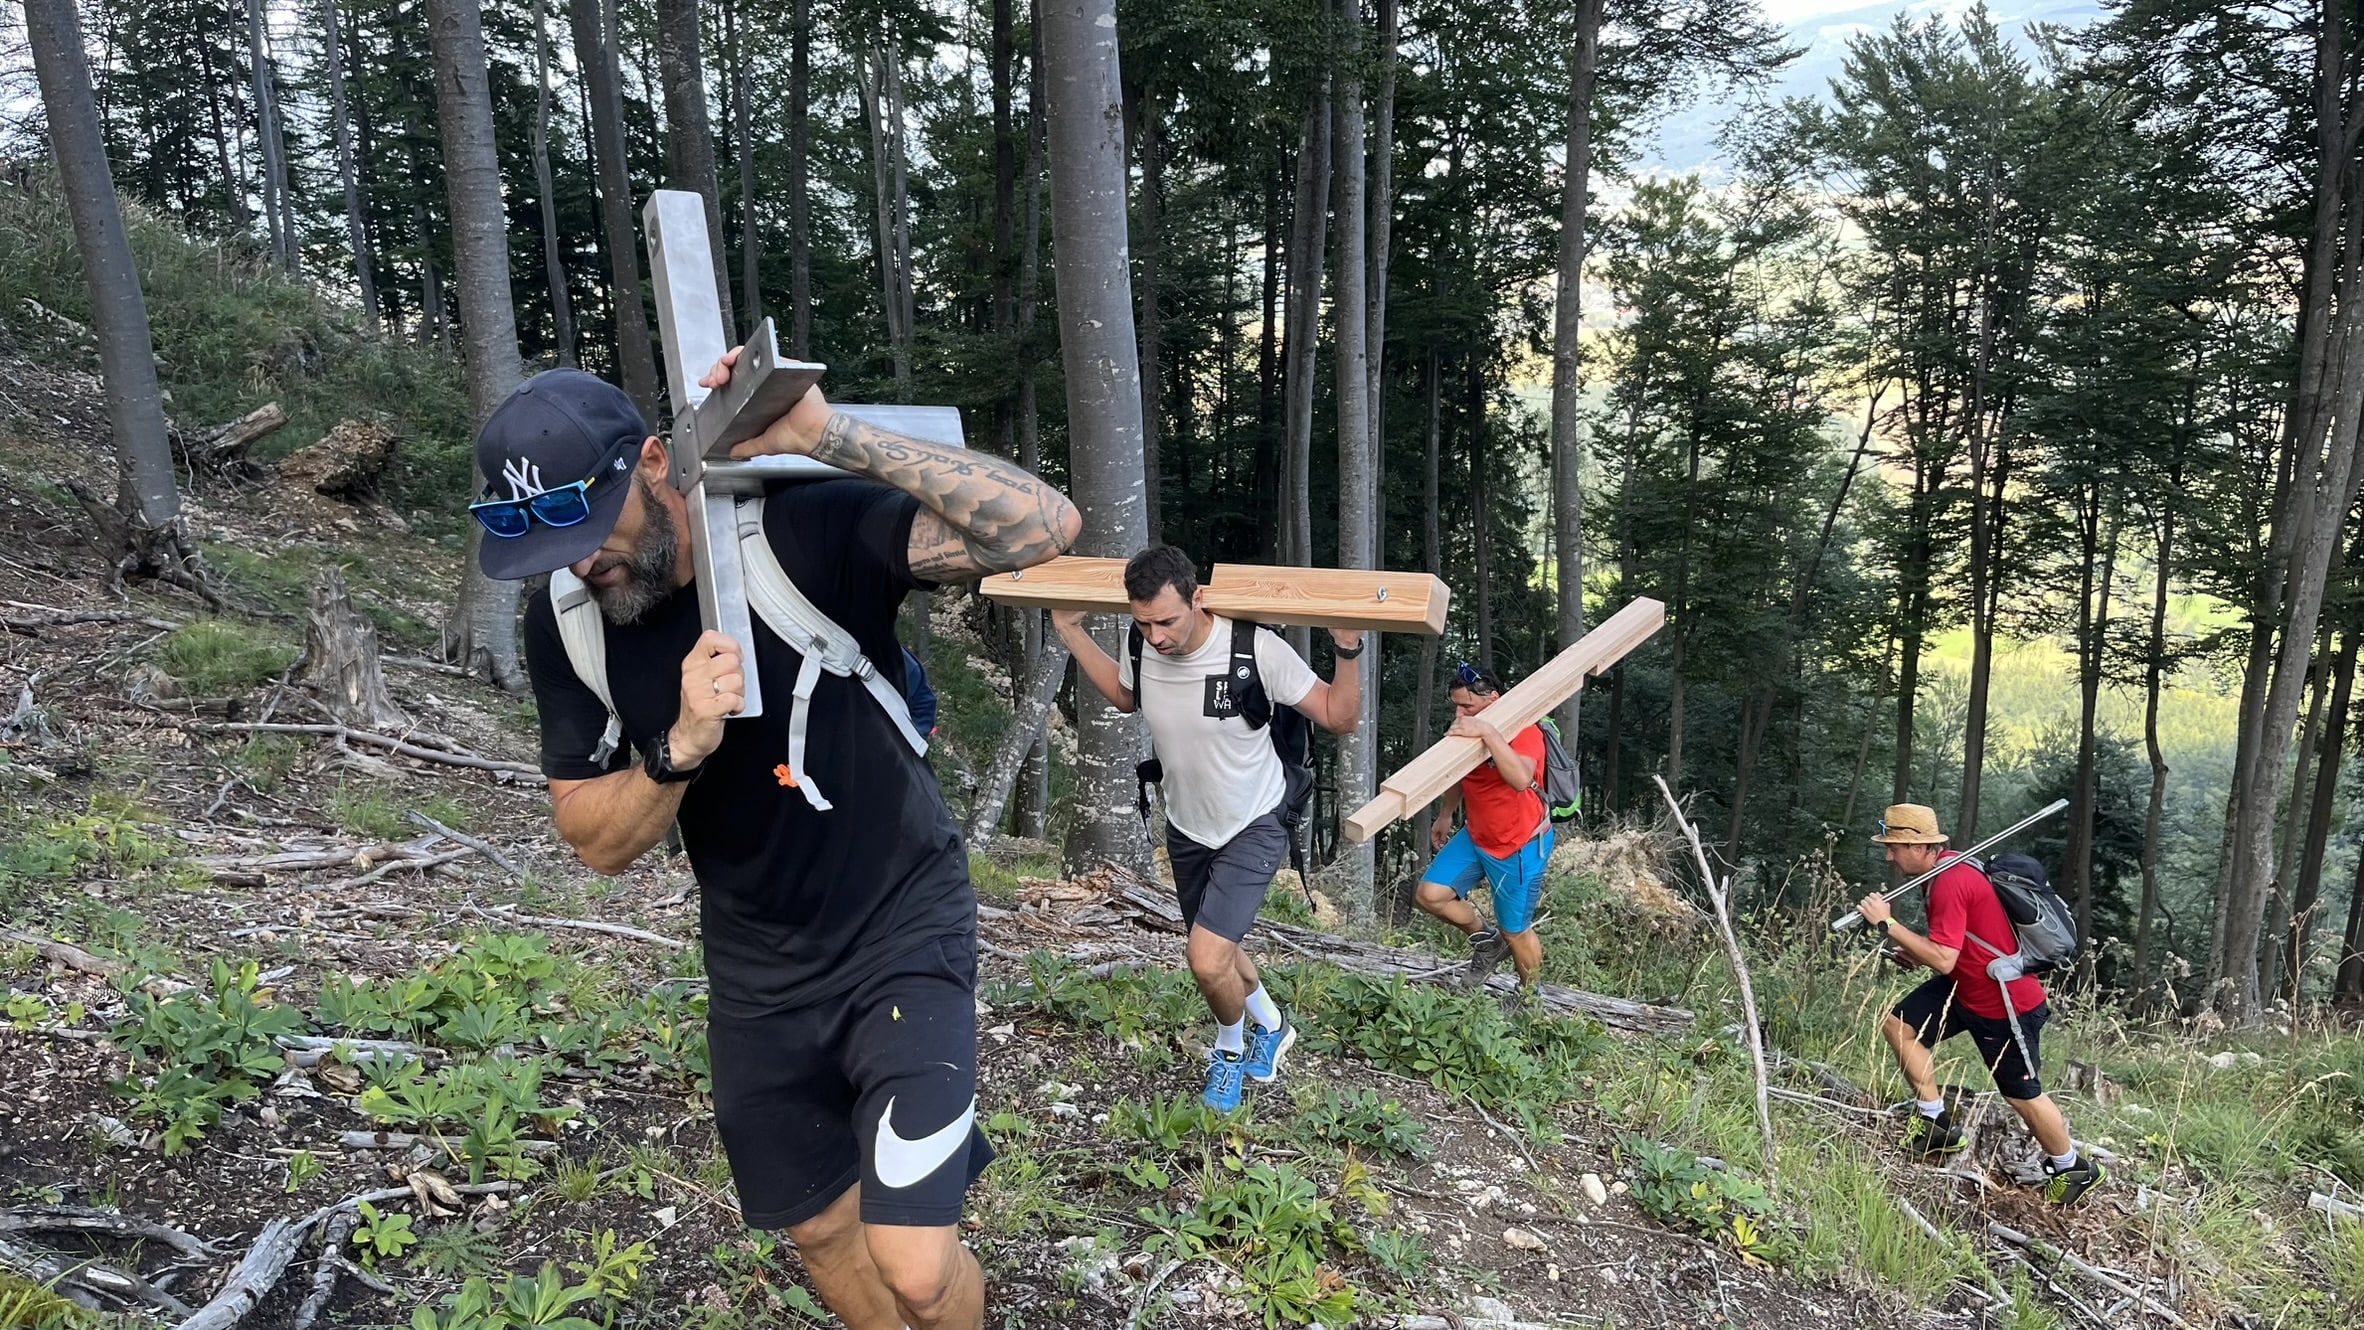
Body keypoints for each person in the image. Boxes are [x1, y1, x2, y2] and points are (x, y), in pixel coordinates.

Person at [479, 359, 1080, 1330]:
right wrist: (676, 749)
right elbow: (593, 839)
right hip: (758, 966)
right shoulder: (570, 617)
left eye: (593, 533)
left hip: (899, 922)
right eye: (555, 549)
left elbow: (1044, 529)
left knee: (918, 1266)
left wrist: (828, 436)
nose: (583, 563)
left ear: (653, 463)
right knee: (819, 1231)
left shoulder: (799, 532)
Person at [1051, 546, 1362, 1113]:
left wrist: (1347, 647)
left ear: (1198, 599)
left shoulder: (1254, 649)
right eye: (1143, 623)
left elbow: (1339, 716)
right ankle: (1271, 1024)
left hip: (1254, 820)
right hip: (1187, 824)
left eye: (1167, 620)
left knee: (1206, 958)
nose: (1156, 636)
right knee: (1220, 944)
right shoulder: (1141, 646)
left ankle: (1230, 1049)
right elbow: (1126, 697)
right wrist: (1070, 631)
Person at [1855, 804, 2105, 1207]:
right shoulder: (1940, 872)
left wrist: (1889, 925)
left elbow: (1944, 957)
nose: (1889, 856)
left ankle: (2073, 1167)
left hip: (2004, 1004)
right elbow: (1956, 943)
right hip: (1965, 988)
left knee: (2022, 1094)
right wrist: (1914, 952)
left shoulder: (1950, 880)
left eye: (1894, 847)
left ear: (1920, 847)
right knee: (1900, 1026)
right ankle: (1935, 1122)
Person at [1412, 663, 1554, 1010]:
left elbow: (1520, 778)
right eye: (1456, 706)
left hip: (1518, 845)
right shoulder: (1467, 729)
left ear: (1494, 699)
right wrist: (1446, 815)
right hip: (1476, 836)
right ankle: (1488, 943)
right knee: (1430, 896)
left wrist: (1488, 732)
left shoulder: (1524, 730)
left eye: (1467, 707)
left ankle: (1529, 1000)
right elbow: (1459, 774)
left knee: (1516, 930)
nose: (1460, 714)